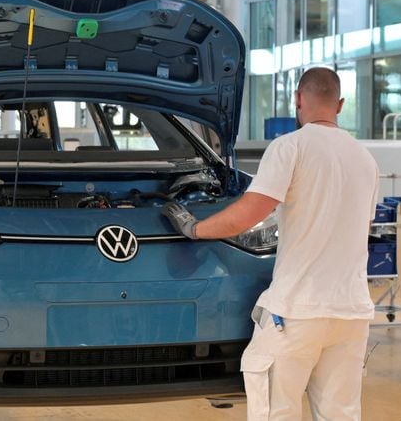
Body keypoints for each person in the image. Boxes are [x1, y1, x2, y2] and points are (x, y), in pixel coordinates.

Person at [162, 67, 379, 420]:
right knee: (340, 414)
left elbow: (249, 213)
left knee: (276, 410)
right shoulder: (365, 159)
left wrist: (195, 229)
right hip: (351, 313)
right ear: (340, 104)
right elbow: (358, 228)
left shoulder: (290, 147)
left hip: (297, 311)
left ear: (298, 99)